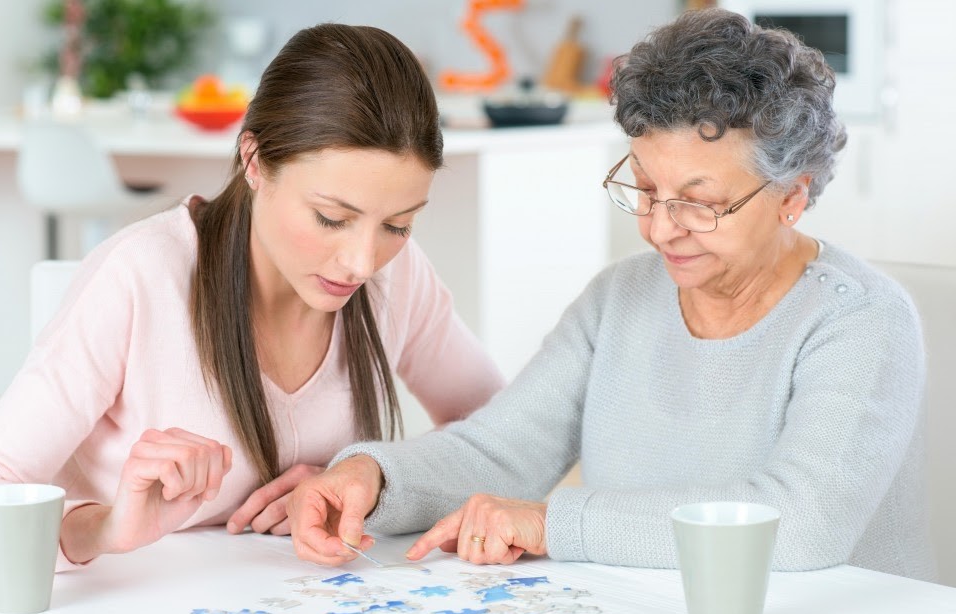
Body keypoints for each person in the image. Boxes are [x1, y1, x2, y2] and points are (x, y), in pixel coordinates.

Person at [287, 8, 936, 581]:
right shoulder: (620, 296)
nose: (658, 228)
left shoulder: (860, 317)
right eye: (646, 189)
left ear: (792, 197)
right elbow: (501, 450)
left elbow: (800, 522)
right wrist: (372, 477)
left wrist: (554, 524)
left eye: (701, 203)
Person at [0, 24, 505, 570]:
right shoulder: (140, 275)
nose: (362, 262)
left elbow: (507, 437)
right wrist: (104, 528)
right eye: (332, 218)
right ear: (254, 161)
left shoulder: (397, 279)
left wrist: (373, 475)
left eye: (398, 225)